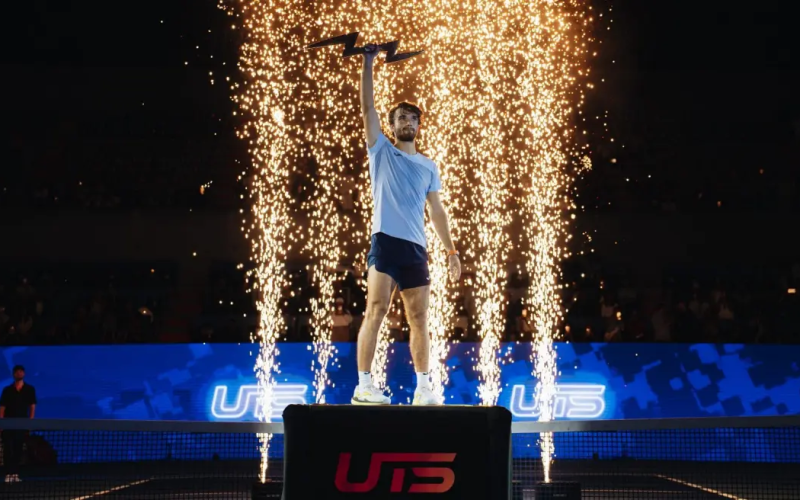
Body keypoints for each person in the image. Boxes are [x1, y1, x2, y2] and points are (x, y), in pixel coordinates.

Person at [352, 44, 461, 406]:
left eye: (412, 118)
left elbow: (438, 211)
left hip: (416, 249)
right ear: (393, 124)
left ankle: (424, 387)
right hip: (384, 242)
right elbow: (367, 107)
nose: (407, 122)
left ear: (418, 125)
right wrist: (368, 62)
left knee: (418, 318)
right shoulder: (380, 150)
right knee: (376, 309)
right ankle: (364, 385)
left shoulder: (429, 166)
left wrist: (451, 251)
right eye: (400, 118)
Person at [0, 365, 37, 483]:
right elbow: (2, 407)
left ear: (24, 374)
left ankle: (15, 473)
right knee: (8, 449)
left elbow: (32, 406)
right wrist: (2, 423)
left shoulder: (30, 389)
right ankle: (8, 474)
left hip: (21, 424)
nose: (19, 373)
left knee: (18, 449)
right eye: (17, 372)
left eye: (21, 371)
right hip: (8, 424)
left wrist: (30, 422)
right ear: (13, 374)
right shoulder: (7, 390)